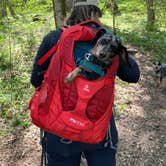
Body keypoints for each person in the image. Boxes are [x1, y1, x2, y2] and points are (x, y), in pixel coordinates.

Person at [30, 0, 140, 165]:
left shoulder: (54, 38)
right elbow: (133, 75)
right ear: (96, 12)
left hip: (60, 128)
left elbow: (35, 80)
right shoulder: (107, 41)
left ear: (73, 10)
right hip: (100, 128)